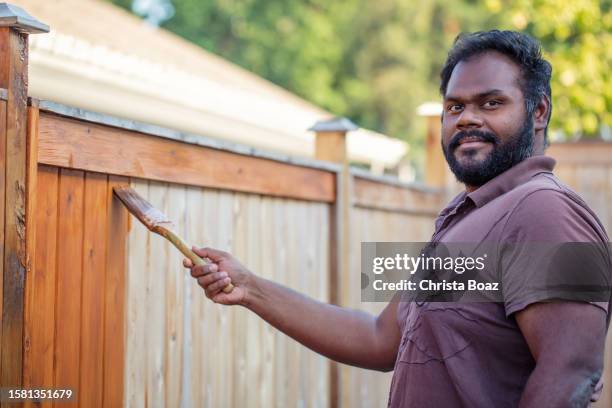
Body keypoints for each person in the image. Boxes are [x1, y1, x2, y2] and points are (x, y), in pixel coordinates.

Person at [183, 30, 611, 407]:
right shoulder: (468, 218)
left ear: (538, 112)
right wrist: (250, 287)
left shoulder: (546, 210)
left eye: (491, 103)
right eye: (454, 107)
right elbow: (379, 338)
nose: (467, 118)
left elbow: (572, 373)